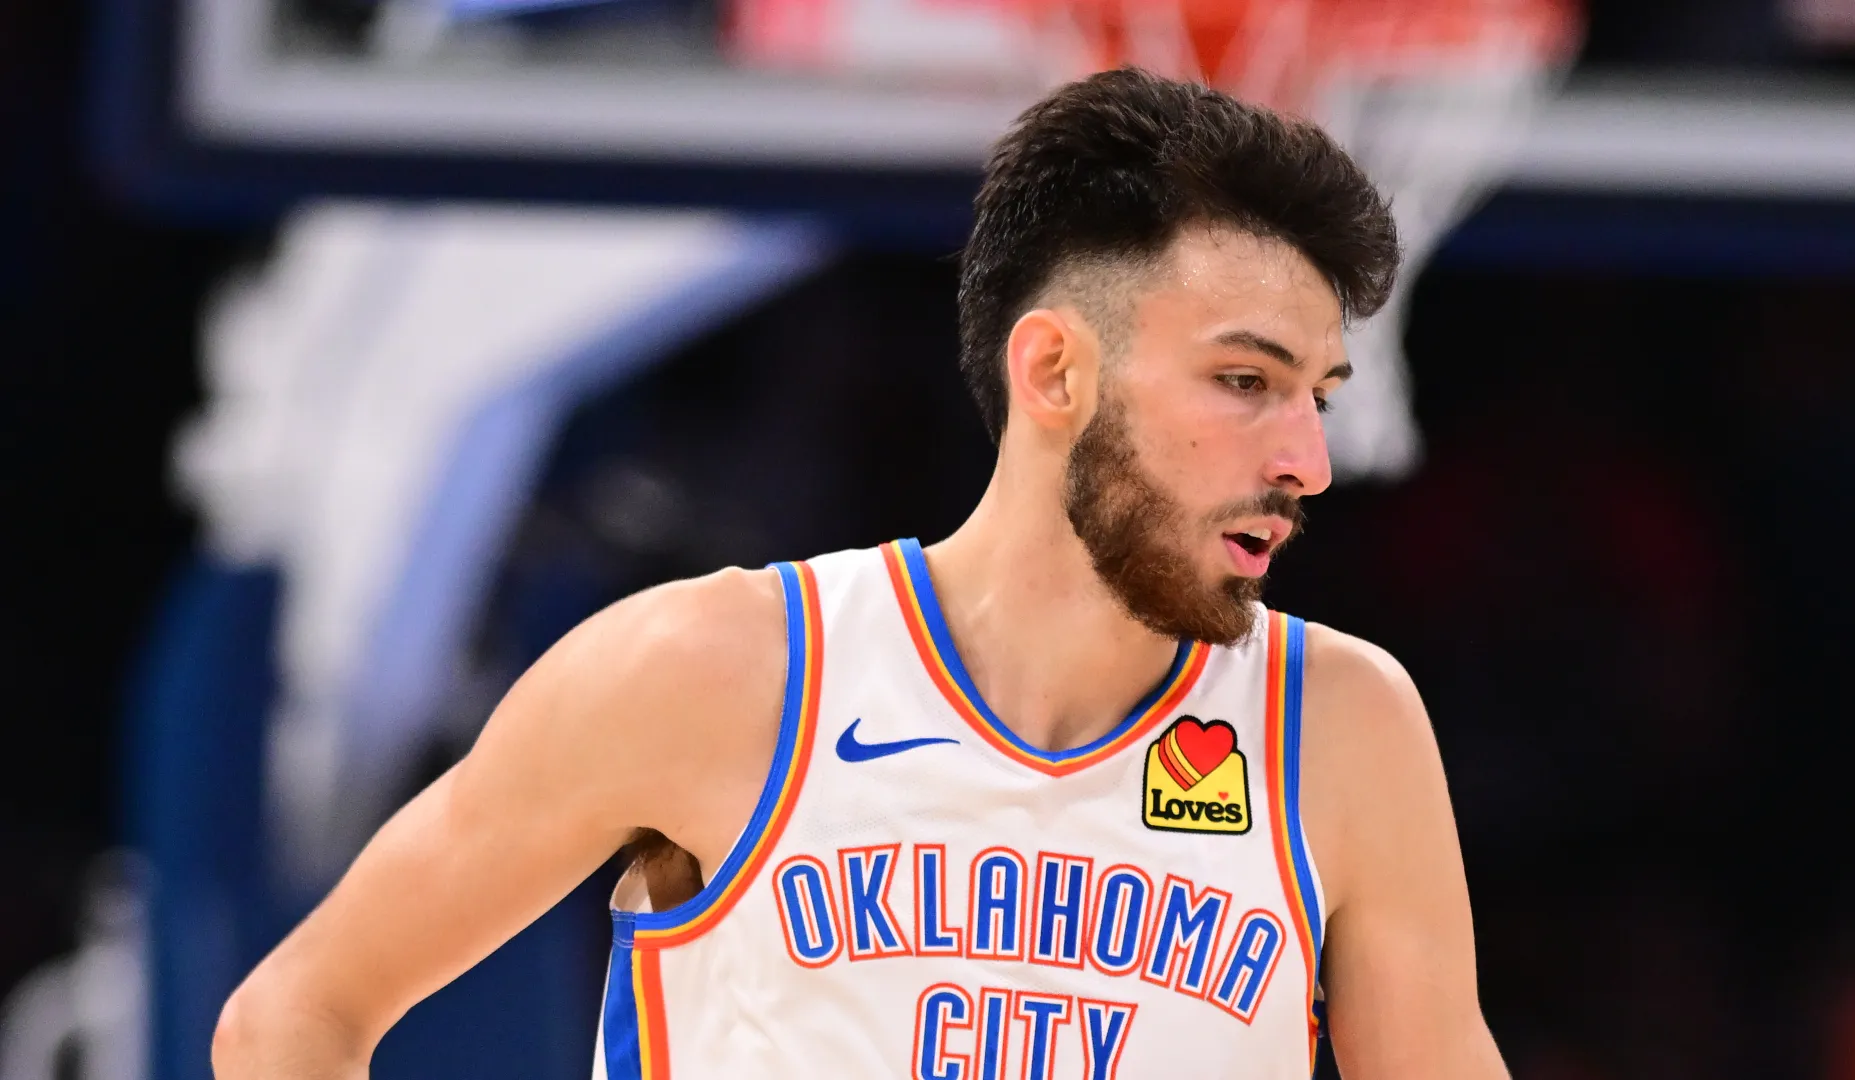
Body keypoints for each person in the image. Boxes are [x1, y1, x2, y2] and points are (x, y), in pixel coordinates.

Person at [212, 67, 1502, 1079]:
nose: (1308, 460)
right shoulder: (715, 671)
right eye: (1245, 381)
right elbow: (295, 1017)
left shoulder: (1338, 729)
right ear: (1054, 371)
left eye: (1318, 396)